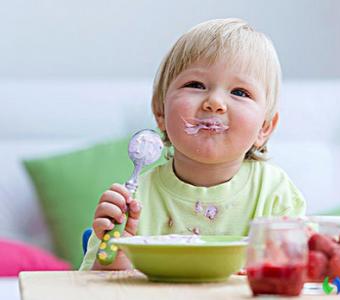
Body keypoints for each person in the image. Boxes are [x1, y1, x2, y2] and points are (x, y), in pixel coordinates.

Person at [80, 18, 306, 271]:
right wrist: (113, 262)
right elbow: (90, 288)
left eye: (240, 92)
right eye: (196, 85)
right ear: (160, 112)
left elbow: (297, 277)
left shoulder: (276, 194)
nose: (215, 102)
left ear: (264, 128)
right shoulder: (133, 202)